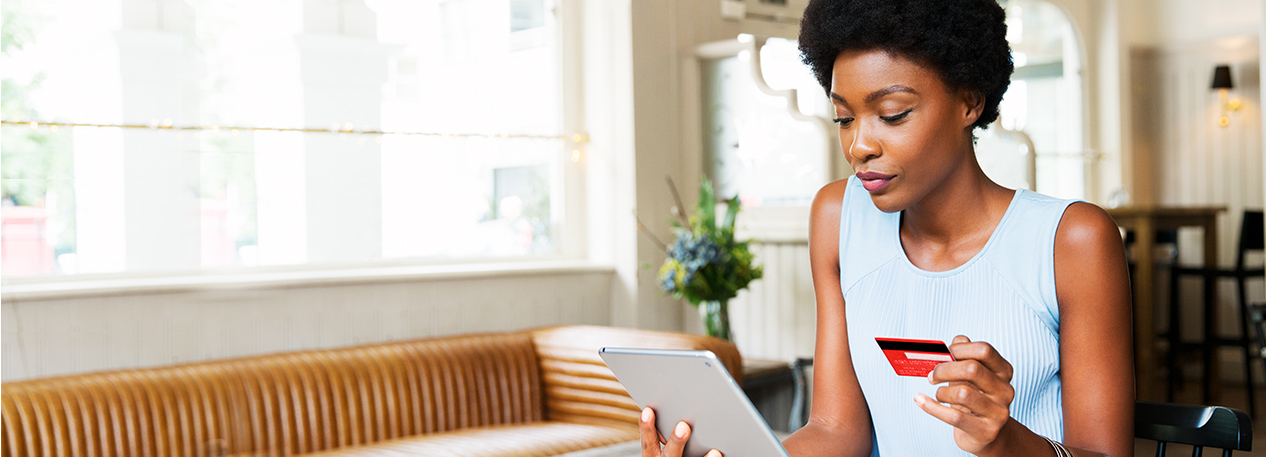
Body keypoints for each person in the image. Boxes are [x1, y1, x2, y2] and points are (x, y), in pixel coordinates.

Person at [638, 0, 1134, 456]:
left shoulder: (1073, 240)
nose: (859, 146)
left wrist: (1006, 442)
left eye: (892, 114)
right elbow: (837, 430)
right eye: (844, 118)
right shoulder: (838, 217)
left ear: (969, 102)